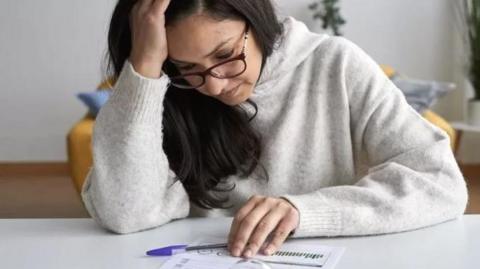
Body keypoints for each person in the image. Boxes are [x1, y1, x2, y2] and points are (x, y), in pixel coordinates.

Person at [82, 0, 468, 259]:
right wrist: (146, 68)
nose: (214, 85)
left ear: (255, 17)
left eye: (224, 55)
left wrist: (304, 211)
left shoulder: (337, 65)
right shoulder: (164, 90)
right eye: (187, 67)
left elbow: (440, 183)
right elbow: (124, 213)